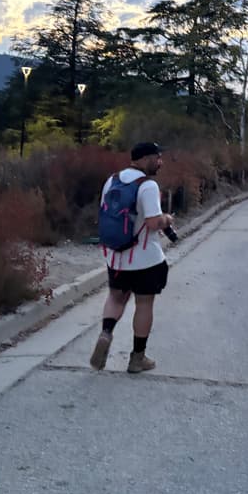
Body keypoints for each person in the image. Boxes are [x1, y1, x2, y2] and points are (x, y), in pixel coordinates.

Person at [90, 141, 174, 374]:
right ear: (146, 159)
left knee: (116, 298)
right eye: (157, 158)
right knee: (144, 304)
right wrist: (167, 219)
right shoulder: (147, 186)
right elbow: (153, 223)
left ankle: (106, 334)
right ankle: (137, 358)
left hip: (116, 258)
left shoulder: (112, 180)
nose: (160, 162)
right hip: (145, 259)